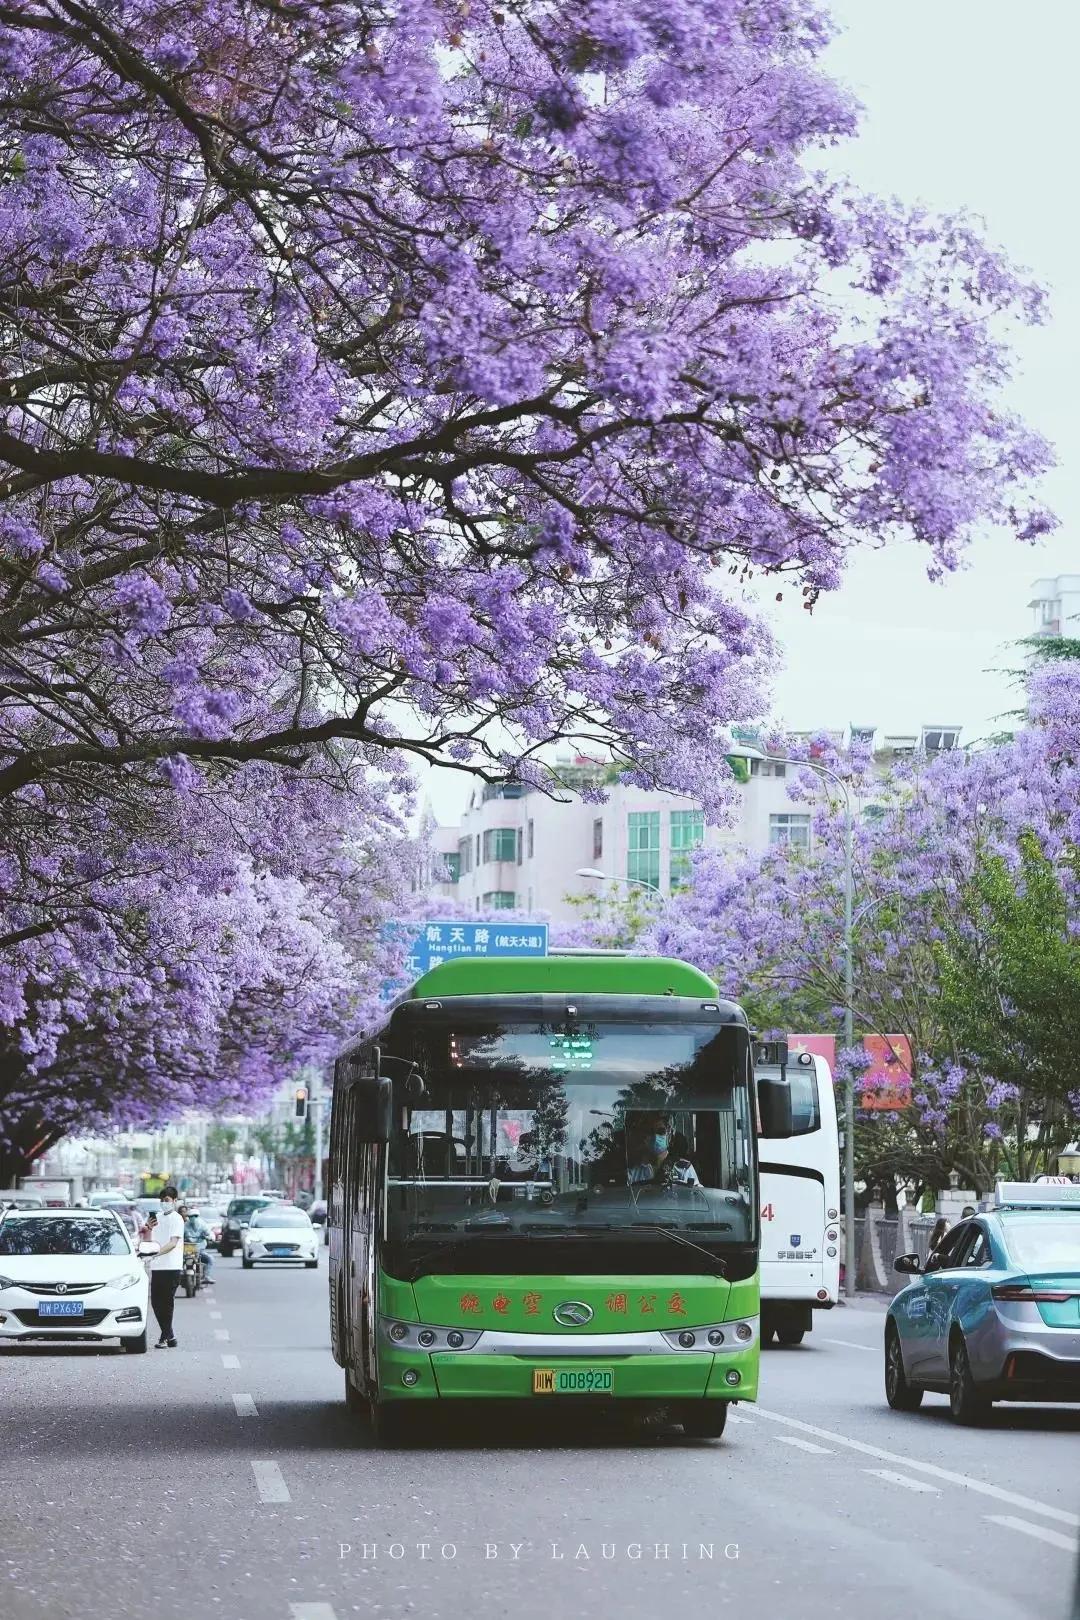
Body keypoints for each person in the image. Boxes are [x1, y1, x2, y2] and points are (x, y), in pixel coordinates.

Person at [148, 1184, 185, 1348]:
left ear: (175, 1200)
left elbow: (173, 1243)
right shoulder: (157, 1217)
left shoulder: (177, 1219)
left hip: (172, 1267)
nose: (164, 1203)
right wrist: (148, 1227)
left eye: (167, 1200)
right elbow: (148, 1238)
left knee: (167, 1303)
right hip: (157, 1267)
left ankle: (164, 1337)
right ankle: (170, 1336)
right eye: (162, 1200)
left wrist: (155, 1253)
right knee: (156, 1302)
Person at [181, 1204, 214, 1283]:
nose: (193, 1218)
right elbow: (179, 1236)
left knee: (210, 1259)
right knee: (179, 1261)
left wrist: (210, 1237)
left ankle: (206, 1276)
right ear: (188, 1217)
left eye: (195, 1216)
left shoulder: (203, 1225)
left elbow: (209, 1233)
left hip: (199, 1250)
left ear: (198, 1216)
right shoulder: (185, 1226)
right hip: (188, 1251)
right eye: (191, 1216)